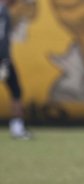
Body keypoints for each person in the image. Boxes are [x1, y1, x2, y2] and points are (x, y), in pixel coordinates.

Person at [0, 0, 30, 139]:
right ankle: (17, 129)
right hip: (3, 58)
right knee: (16, 91)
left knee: (16, 90)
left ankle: (17, 128)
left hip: (4, 58)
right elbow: (2, 39)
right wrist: (4, 58)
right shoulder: (3, 11)